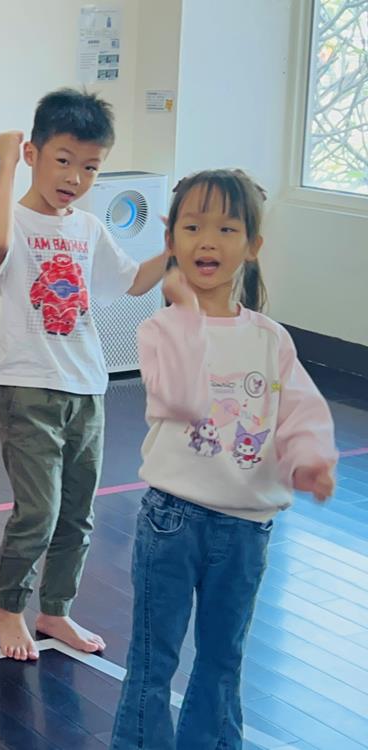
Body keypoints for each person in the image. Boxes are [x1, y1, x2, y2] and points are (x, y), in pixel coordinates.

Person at [110, 169, 337, 749]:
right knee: (153, 661)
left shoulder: (271, 339)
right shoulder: (162, 328)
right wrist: (187, 312)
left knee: (222, 660)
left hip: (245, 528)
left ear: (252, 246)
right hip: (173, 520)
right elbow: (180, 397)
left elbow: (301, 410)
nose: (207, 241)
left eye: (226, 229)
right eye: (192, 227)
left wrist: (310, 458)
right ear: (171, 239)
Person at [0, 89, 168, 660]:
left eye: (90, 167)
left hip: (88, 388)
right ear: (34, 154)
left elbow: (134, 282)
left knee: (77, 515)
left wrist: (177, 245)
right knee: (37, 512)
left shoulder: (88, 228)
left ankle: (55, 609)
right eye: (63, 160)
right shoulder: (12, 219)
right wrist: (6, 163)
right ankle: (9, 610)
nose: (75, 177)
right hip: (27, 386)